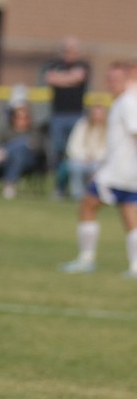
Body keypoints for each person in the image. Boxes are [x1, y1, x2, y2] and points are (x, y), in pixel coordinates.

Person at [61, 62, 137, 278]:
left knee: (87, 206)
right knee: (130, 215)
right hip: (126, 172)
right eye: (109, 79)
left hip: (118, 172)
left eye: (116, 79)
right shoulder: (123, 102)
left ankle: (86, 260)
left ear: (127, 79)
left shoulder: (127, 103)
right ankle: (135, 266)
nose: (112, 83)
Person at [44, 37, 90, 199]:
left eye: (73, 51)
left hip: (77, 116)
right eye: (67, 50)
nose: (69, 54)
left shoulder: (83, 65)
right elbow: (50, 78)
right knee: (58, 152)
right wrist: (69, 78)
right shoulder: (54, 64)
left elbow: (78, 77)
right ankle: (59, 188)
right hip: (58, 115)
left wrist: (62, 78)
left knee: (76, 153)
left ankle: (77, 190)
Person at [0, 104, 43, 199]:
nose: (22, 120)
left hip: (29, 161)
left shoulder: (34, 131)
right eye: (19, 117)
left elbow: (38, 148)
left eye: (25, 117)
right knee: (17, 154)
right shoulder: (7, 132)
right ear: (13, 118)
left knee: (22, 145)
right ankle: (9, 185)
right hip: (8, 161)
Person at [65, 103, 108, 201]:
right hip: (82, 159)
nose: (97, 116)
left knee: (97, 168)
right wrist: (84, 156)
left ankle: (98, 196)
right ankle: (78, 197)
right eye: (95, 113)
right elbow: (73, 145)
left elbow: (109, 149)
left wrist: (96, 157)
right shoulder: (82, 124)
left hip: (100, 161)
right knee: (74, 166)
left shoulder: (109, 128)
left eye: (99, 114)